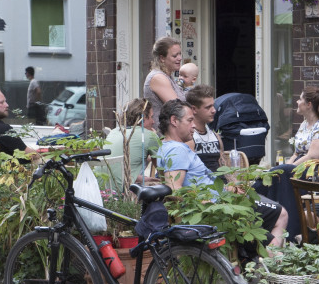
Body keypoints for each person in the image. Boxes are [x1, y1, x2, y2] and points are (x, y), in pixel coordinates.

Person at [156, 99, 287, 251]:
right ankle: (268, 265)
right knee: (281, 214)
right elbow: (174, 189)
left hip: (222, 201)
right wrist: (207, 202)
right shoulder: (176, 150)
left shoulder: (167, 146)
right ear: (174, 121)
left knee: (266, 209)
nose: (193, 125)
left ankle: (253, 258)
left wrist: (228, 189)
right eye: (189, 120)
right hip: (218, 211)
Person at [104, 99, 160, 191]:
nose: (153, 122)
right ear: (143, 118)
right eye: (151, 117)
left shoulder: (114, 131)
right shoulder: (149, 135)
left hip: (102, 190)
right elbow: (163, 170)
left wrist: (139, 178)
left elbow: (116, 169)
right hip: (124, 193)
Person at [143, 37, 186, 131]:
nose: (180, 58)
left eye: (180, 54)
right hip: (162, 136)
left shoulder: (168, 76)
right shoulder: (158, 78)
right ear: (162, 58)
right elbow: (177, 107)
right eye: (175, 56)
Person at [287, 87, 319, 166]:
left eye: (300, 99)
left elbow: (312, 157)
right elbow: (296, 154)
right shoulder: (304, 124)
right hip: (299, 168)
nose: (297, 101)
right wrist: (284, 168)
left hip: (313, 171)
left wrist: (290, 169)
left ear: (308, 104)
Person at [185, 85, 224, 172]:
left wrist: (233, 184)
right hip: (202, 183)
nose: (214, 110)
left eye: (213, 106)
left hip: (222, 183)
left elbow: (224, 168)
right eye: (208, 107)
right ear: (194, 109)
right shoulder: (188, 138)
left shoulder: (216, 137)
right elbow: (192, 171)